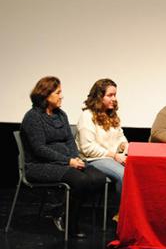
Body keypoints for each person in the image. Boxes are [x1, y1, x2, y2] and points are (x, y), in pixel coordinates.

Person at [20, 76, 106, 238]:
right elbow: (39, 149)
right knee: (80, 180)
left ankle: (60, 210)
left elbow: (69, 140)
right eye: (58, 92)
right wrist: (68, 161)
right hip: (40, 165)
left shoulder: (61, 115)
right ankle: (70, 223)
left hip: (66, 161)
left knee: (98, 178)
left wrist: (76, 158)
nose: (61, 96)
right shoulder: (33, 117)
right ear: (46, 94)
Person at [76, 78, 127, 202]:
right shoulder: (87, 116)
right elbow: (88, 149)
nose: (114, 99)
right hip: (93, 159)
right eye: (110, 95)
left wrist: (124, 145)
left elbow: (120, 136)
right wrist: (114, 155)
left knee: (138, 171)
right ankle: (122, 214)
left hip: (112, 157)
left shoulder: (111, 115)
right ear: (99, 97)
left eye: (115, 95)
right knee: (125, 175)